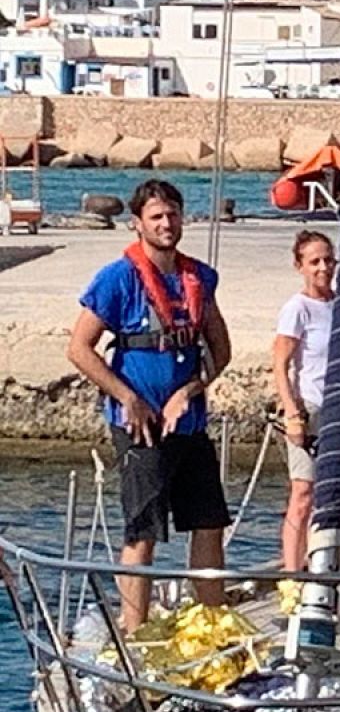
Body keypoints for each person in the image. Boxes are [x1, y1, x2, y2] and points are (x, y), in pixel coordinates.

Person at [67, 179, 231, 631]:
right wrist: (129, 399)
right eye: (156, 216)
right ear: (137, 223)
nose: (166, 223)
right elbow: (79, 349)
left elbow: (220, 349)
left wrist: (190, 390)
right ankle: (134, 629)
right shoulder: (117, 280)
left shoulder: (199, 278)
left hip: (189, 423)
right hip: (140, 425)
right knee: (143, 532)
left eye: (172, 214)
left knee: (209, 521)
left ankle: (215, 621)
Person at [272, 230, 334, 576]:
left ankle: (323, 559)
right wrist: (292, 411)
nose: (323, 267)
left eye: (327, 260)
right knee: (303, 492)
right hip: (308, 406)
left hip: (339, 408)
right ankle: (293, 574)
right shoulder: (297, 309)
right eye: (315, 262)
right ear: (301, 266)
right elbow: (280, 363)